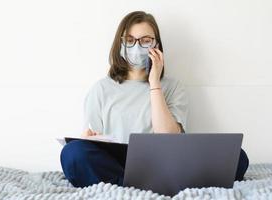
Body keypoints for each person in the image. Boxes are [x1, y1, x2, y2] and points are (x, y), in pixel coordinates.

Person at [60, 11, 249, 188]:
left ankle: (130, 186)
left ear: (156, 45)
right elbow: (93, 143)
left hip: (163, 163)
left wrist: (154, 83)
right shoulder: (101, 89)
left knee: (237, 158)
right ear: (120, 44)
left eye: (145, 40)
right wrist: (89, 139)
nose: (136, 46)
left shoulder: (173, 87)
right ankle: (147, 186)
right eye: (130, 40)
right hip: (119, 163)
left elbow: (168, 138)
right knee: (73, 153)